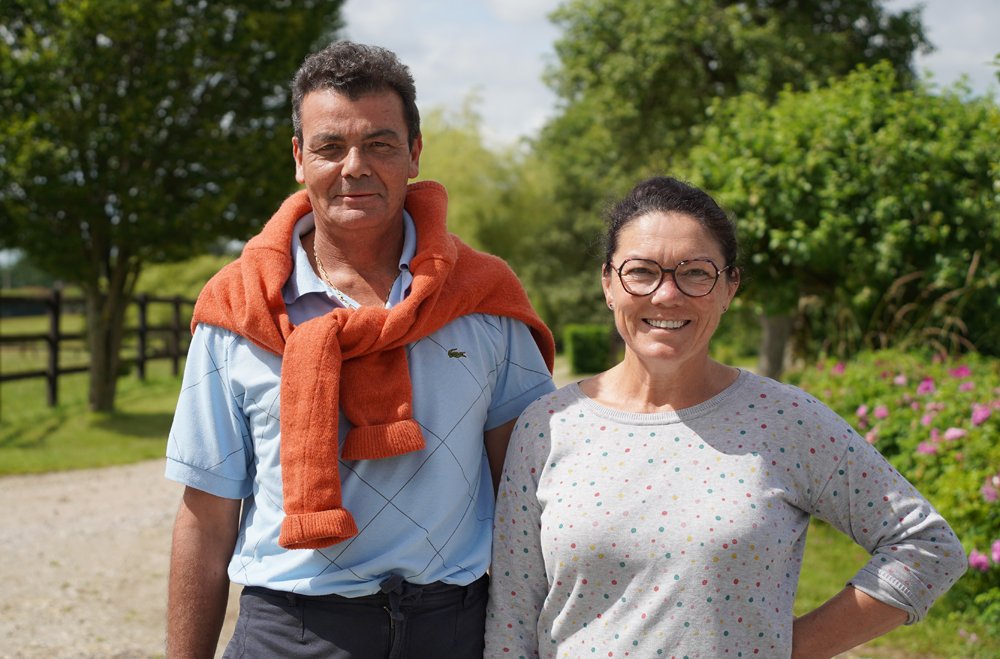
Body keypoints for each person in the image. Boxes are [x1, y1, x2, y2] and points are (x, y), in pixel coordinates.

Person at [164, 41, 556, 659]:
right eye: (330, 147)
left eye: (379, 144)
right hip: (290, 634)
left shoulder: (483, 298)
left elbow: (526, 495)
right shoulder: (237, 310)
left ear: (414, 154)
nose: (355, 166)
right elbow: (206, 520)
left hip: (455, 630)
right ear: (299, 158)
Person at [484, 176, 967, 658]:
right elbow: (512, 619)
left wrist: (785, 649)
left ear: (729, 288)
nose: (666, 295)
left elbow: (927, 547)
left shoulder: (786, 420)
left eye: (696, 273)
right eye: (641, 271)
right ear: (608, 283)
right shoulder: (548, 425)